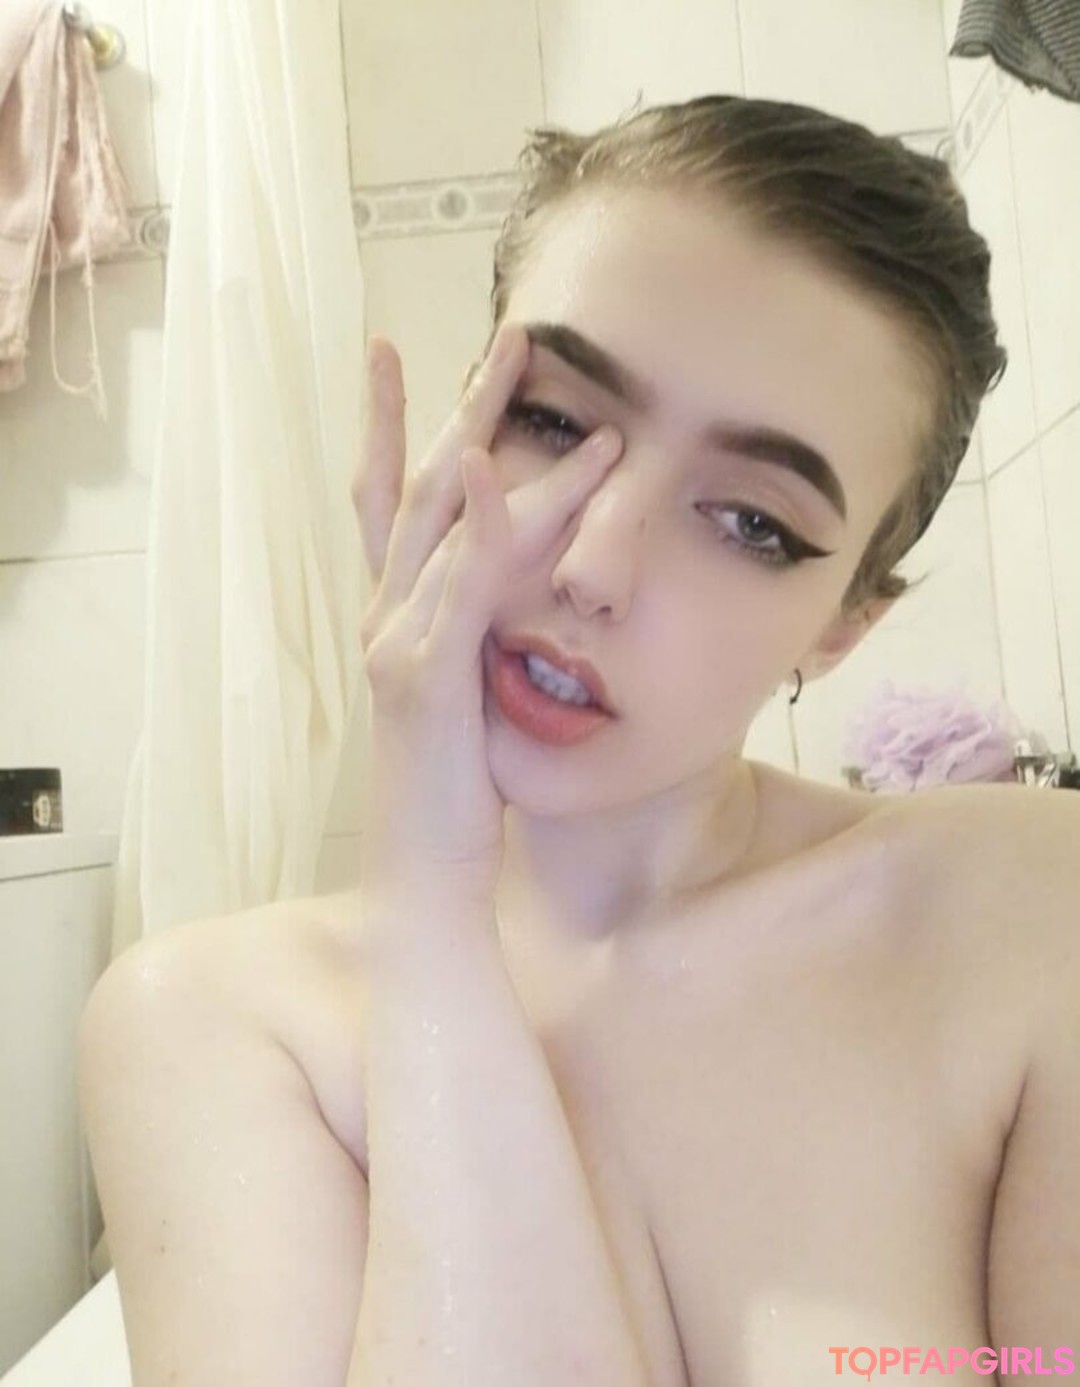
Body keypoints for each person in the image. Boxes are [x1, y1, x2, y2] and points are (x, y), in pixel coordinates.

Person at [77, 95, 1080, 1386]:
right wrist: (431, 910)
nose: (592, 565)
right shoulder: (211, 1022)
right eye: (552, 422)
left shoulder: (1026, 913)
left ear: (843, 623)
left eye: (753, 523)